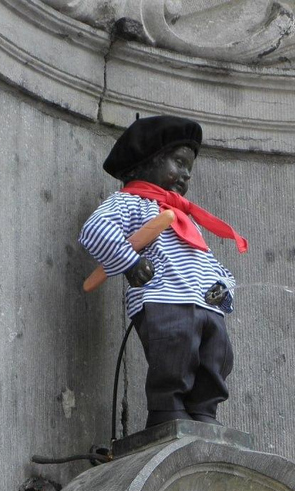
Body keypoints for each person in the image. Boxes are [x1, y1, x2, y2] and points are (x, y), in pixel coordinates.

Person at [79, 115, 248, 428]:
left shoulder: (185, 218)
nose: (185, 175)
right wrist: (129, 262)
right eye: (179, 162)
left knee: (217, 356)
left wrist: (223, 286)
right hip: (164, 299)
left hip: (206, 305)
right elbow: (96, 229)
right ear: (148, 161)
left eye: (189, 169)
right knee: (175, 353)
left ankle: (203, 411)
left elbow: (208, 261)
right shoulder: (131, 203)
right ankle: (167, 411)